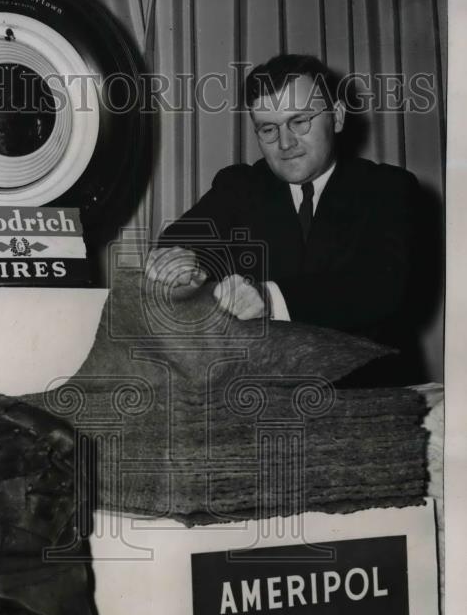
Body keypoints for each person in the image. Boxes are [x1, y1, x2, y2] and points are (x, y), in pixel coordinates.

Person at [146, 53, 425, 382]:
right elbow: (185, 241)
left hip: (368, 392)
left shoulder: (388, 187)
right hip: (265, 394)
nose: (285, 142)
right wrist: (183, 265)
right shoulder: (241, 185)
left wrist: (268, 298)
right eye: (268, 128)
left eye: (300, 121)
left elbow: (380, 287)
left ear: (336, 117)